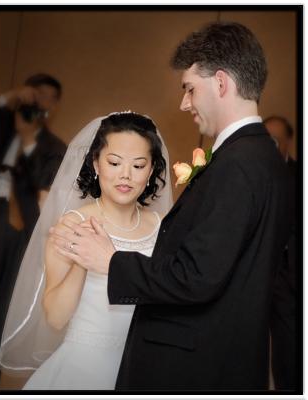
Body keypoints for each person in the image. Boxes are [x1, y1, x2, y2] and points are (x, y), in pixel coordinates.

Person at [51, 22, 291, 391]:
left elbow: (197, 277)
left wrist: (111, 262)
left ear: (221, 83)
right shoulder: (266, 161)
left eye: (190, 89)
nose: (184, 103)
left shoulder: (238, 164)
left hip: (196, 370)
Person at [0, 112, 173, 390]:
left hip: (141, 367)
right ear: (96, 163)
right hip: (83, 368)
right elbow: (56, 318)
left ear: (151, 170)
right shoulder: (72, 224)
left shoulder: (163, 227)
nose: (125, 175)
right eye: (114, 163)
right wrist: (84, 259)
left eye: (138, 165)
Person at [0, 73, 66, 388]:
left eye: (49, 98)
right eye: (36, 94)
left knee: (2, 301)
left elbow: (45, 190)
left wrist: (27, 141)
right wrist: (6, 100)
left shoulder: (53, 147)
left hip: (19, 226)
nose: (40, 101)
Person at [264, 116, 298, 390]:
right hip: (267, 272)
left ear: (289, 141)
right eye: (268, 138)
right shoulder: (255, 173)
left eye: (277, 138)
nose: (272, 144)